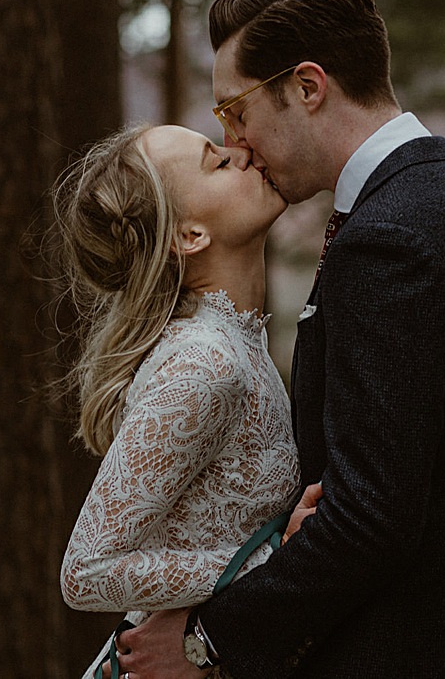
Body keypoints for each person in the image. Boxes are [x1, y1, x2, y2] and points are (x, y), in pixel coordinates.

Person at [113, 0, 445, 678]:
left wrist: (205, 640)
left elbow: (371, 515)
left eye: (235, 111)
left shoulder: (391, 236)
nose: (237, 142)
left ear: (307, 87)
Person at [53, 123, 304, 679]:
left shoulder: (236, 341)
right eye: (216, 162)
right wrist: (267, 563)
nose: (242, 153)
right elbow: (87, 570)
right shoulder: (202, 365)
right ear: (189, 236)